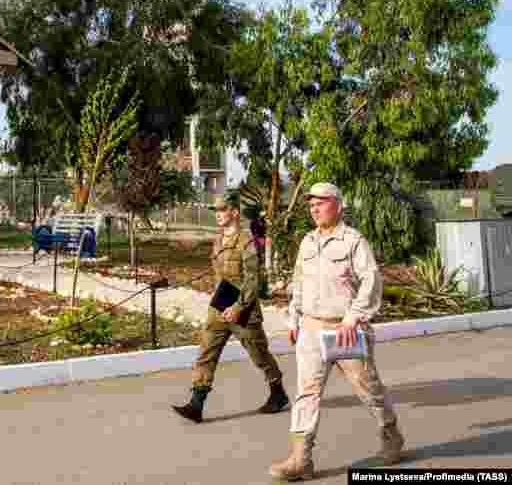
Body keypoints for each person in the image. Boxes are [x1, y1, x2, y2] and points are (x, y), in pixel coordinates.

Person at [269, 182, 404, 481]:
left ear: (338, 205)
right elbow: (299, 283)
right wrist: (294, 320)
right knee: (307, 393)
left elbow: (371, 281)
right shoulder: (307, 242)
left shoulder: (353, 241)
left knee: (367, 388)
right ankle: (301, 458)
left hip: (344, 329)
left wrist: (353, 318)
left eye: (321, 202)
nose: (314, 208)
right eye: (311, 204)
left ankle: (391, 434)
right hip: (311, 327)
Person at [172, 190, 289, 424]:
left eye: (223, 209)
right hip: (220, 305)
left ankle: (278, 392)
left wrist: (237, 307)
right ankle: (197, 403)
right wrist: (218, 301)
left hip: (243, 310)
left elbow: (252, 279)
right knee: (206, 352)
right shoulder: (217, 240)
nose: (218, 214)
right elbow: (219, 275)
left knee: (259, 355)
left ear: (234, 212)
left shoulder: (246, 241)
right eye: (216, 210)